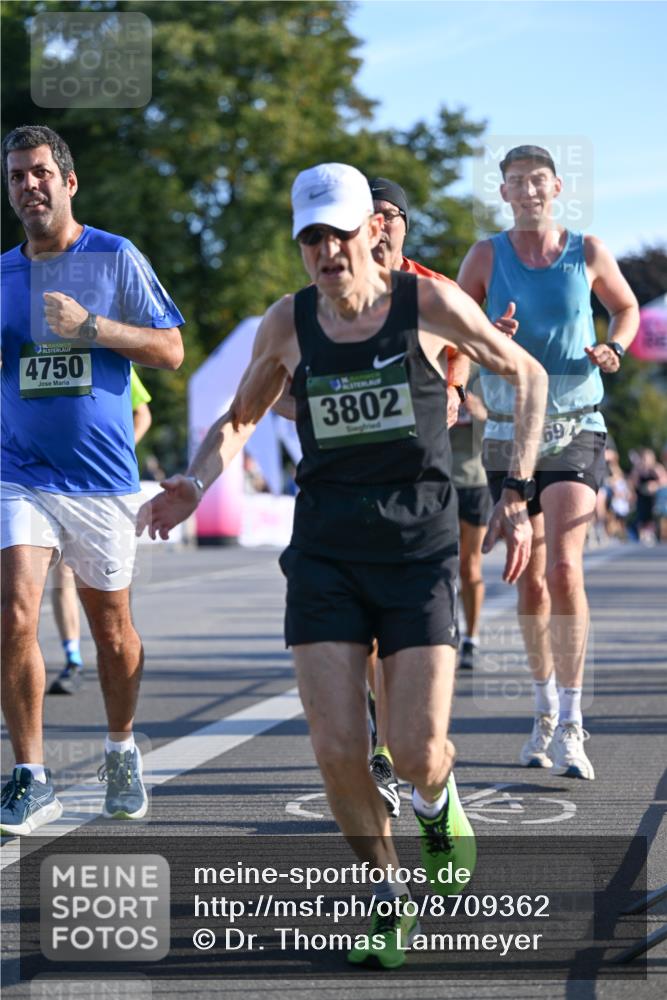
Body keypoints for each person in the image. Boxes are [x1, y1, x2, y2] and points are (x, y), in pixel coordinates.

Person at [140, 161, 548, 968]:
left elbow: (525, 373)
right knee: (336, 750)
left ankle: (436, 803)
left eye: (338, 234)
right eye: (311, 239)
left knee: (416, 749)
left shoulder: (426, 304)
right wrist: (193, 481)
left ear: (374, 232)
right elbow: (241, 416)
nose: (326, 251)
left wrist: (517, 489)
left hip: (417, 551)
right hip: (325, 552)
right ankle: (387, 898)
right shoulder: (288, 323)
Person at [0, 125, 184, 836]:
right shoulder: (3, 274)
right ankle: (31, 775)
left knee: (112, 630)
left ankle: (121, 748)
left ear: (69, 182)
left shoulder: (114, 256)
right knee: (15, 611)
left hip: (101, 478)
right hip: (20, 472)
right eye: (17, 176)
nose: (29, 186)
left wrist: (92, 328)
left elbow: (170, 349)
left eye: (40, 173)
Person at [458, 144, 639, 780]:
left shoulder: (586, 251)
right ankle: (541, 709)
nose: (529, 190)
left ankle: (571, 722)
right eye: (517, 182)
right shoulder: (485, 256)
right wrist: (488, 336)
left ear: (557, 188)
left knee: (563, 568)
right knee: (530, 581)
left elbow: (626, 308)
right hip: (509, 431)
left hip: (575, 424)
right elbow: (455, 331)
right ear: (503, 193)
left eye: (539, 180)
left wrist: (615, 347)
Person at [365, 177, 474, 818]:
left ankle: (424, 774)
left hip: (422, 485)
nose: (379, 223)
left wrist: (453, 386)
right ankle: (381, 753)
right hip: (353, 494)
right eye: (368, 214)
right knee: (366, 638)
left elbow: (467, 351)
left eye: (390, 214)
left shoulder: (435, 289)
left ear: (405, 224)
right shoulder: (330, 298)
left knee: (412, 652)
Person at [48, 368, 153, 695]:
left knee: (107, 592)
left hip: (98, 485)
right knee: (61, 575)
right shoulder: (27, 347)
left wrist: (117, 450)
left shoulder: (108, 354)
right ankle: (73, 658)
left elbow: (143, 413)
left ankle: (113, 652)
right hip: (42, 480)